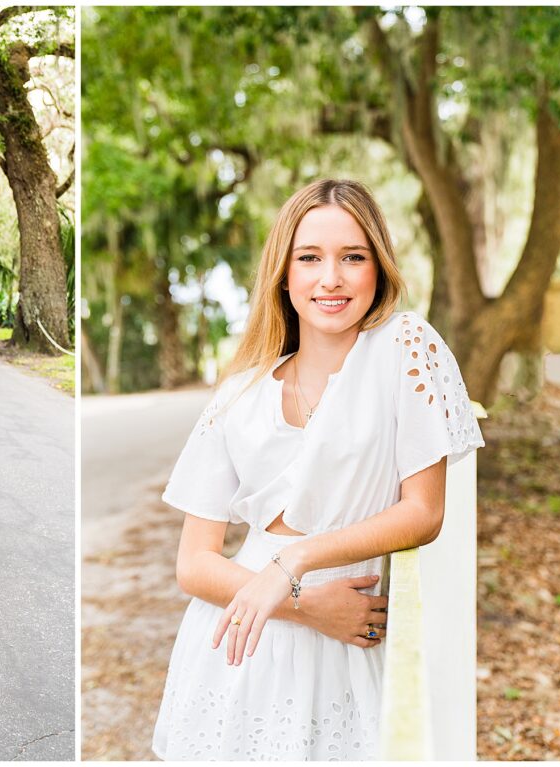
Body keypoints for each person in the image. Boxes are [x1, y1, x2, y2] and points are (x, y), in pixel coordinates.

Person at [152, 179, 485, 760]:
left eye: (352, 257)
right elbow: (194, 563)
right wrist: (305, 605)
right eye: (309, 258)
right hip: (240, 642)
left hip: (351, 634)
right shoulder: (238, 394)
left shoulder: (406, 350)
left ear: (378, 269)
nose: (330, 277)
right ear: (284, 274)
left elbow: (424, 513)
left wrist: (295, 562)